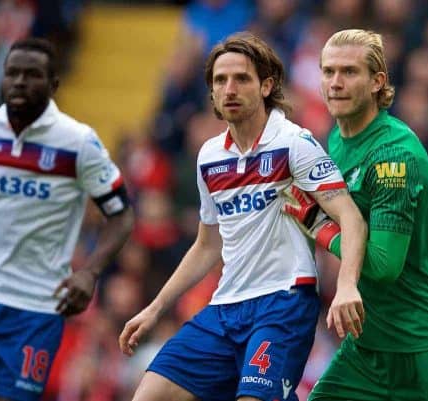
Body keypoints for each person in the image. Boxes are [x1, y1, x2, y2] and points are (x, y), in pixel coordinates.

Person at [118, 32, 367, 401]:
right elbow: (207, 245)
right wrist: (155, 309)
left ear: (266, 86)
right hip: (225, 307)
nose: (229, 88)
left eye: (241, 78)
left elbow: (351, 217)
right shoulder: (210, 157)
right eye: (220, 80)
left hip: (283, 302)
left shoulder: (293, 142)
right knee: (149, 395)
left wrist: (346, 285)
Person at [289, 29, 428, 400]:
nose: (335, 83)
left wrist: (317, 224)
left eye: (349, 72)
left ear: (377, 82)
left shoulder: (393, 156)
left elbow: (383, 264)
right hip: (370, 347)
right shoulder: (337, 138)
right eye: (328, 71)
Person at [0, 38, 134, 401]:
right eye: (12, 73)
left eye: (31, 75)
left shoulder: (77, 143)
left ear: (53, 85)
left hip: (35, 307)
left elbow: (122, 213)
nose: (19, 82)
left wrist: (90, 272)